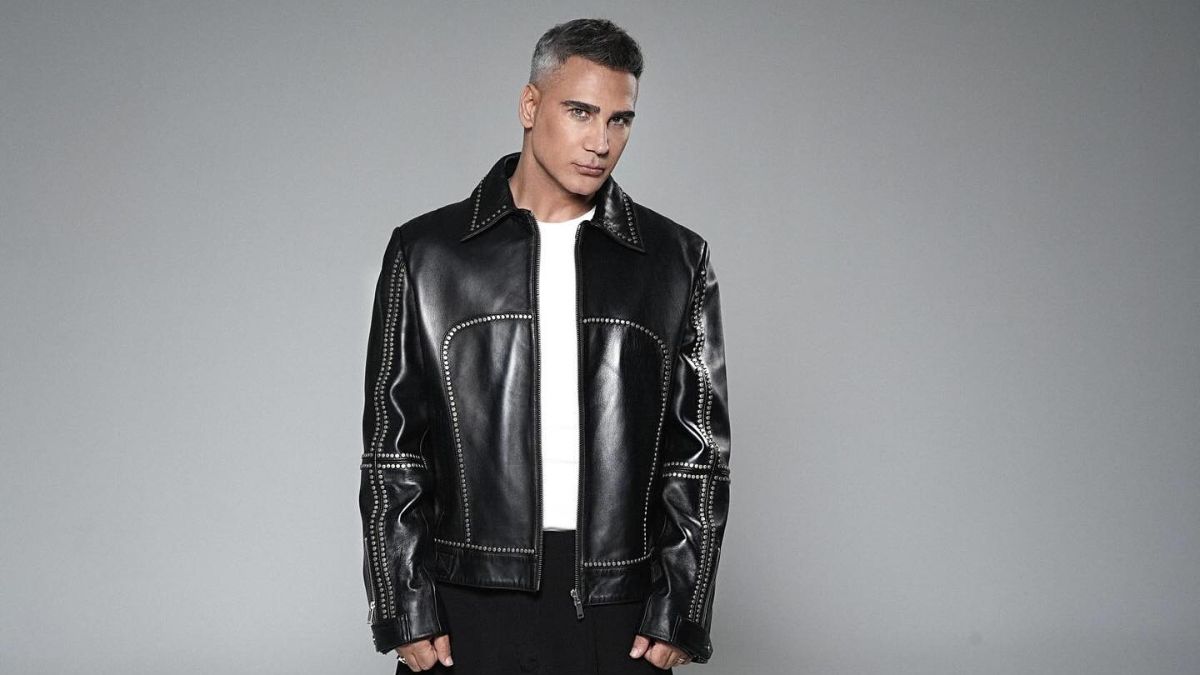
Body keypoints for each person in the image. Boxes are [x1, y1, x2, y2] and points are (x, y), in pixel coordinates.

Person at [359, 17, 732, 674]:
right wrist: (404, 604)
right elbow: (394, 450)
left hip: (618, 601)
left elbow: (698, 455)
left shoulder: (675, 260)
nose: (601, 141)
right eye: (580, 112)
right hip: (467, 598)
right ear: (530, 106)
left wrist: (682, 607)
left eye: (620, 120)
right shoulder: (428, 254)